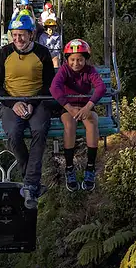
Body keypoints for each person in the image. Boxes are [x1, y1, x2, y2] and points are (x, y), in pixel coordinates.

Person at [0, 14, 56, 209]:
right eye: (15, 35)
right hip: (12, 101)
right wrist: (13, 104)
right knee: (14, 133)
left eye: (22, 35)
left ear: (31, 35)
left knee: (39, 129)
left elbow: (49, 84)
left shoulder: (42, 53)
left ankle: (29, 184)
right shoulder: (4, 53)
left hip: (37, 101)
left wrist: (32, 102)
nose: (18, 39)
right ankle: (32, 183)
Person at [50, 39, 106, 192]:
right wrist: (68, 107)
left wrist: (89, 106)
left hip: (85, 106)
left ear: (85, 59)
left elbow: (100, 87)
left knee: (92, 122)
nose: (76, 63)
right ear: (67, 60)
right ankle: (69, 167)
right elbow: (54, 88)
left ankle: (90, 167)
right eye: (72, 59)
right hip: (69, 107)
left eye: (80, 59)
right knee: (69, 124)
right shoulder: (64, 70)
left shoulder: (89, 71)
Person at [38, 3, 62, 68]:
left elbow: (58, 47)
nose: (51, 29)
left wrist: (53, 53)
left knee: (56, 62)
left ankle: (56, 74)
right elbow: (41, 47)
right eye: (49, 27)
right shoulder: (42, 36)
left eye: (52, 27)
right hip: (45, 54)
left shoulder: (57, 36)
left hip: (54, 54)